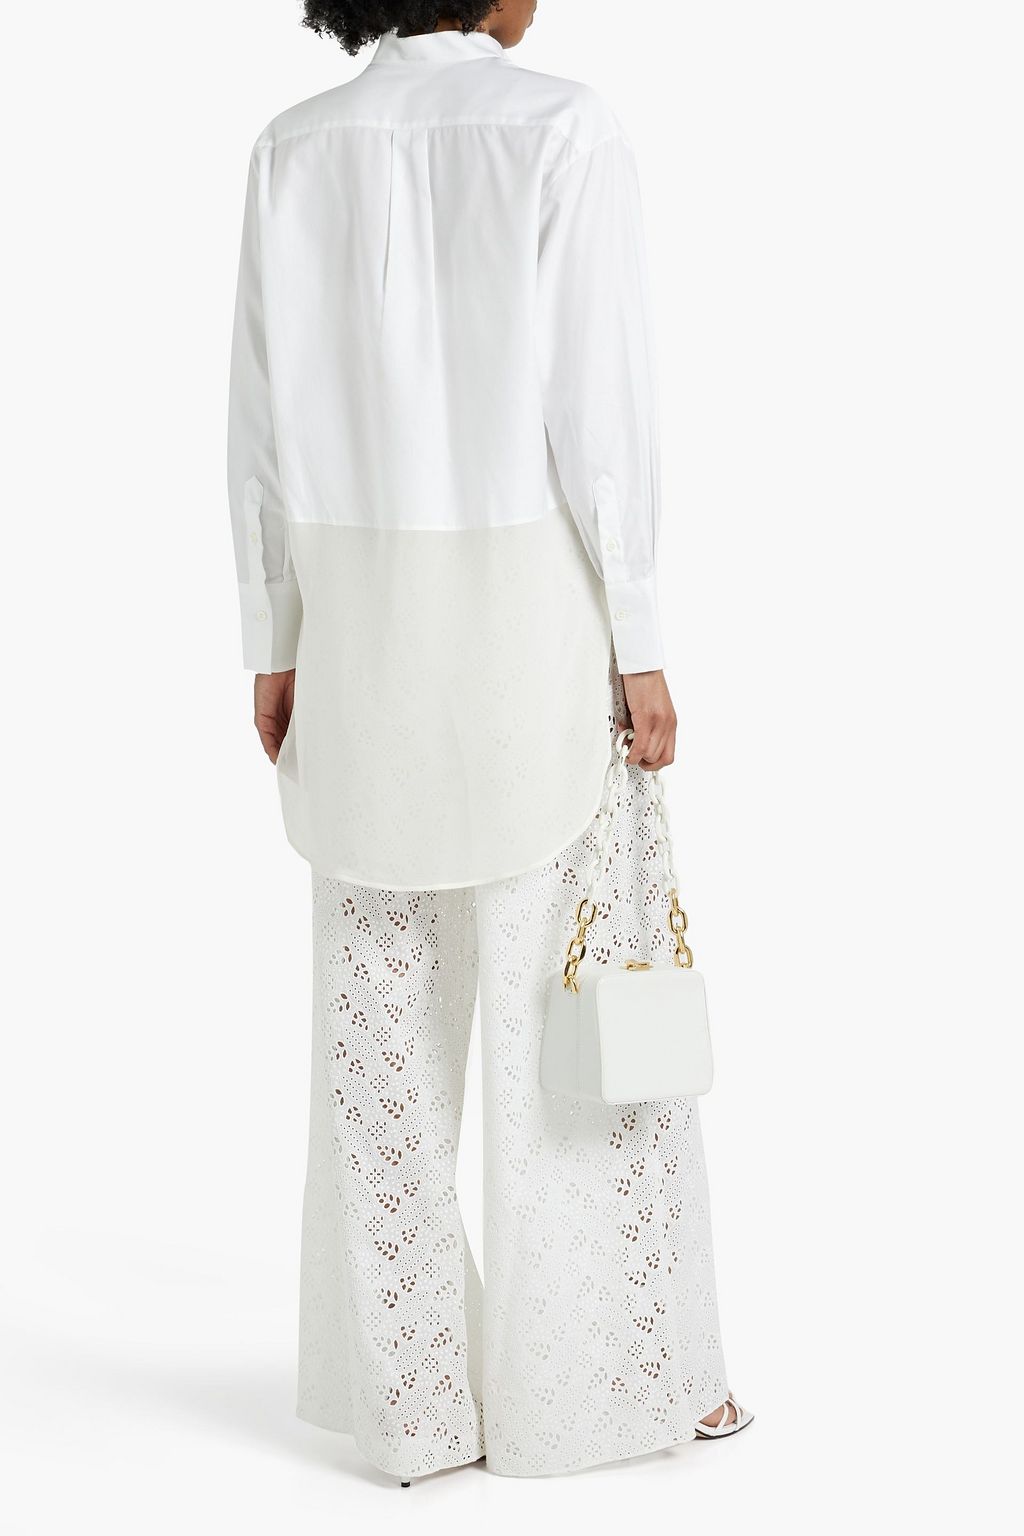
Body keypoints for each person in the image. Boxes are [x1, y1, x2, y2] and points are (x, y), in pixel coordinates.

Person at [226, 0, 752, 1484]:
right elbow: (602, 414)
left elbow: (257, 427)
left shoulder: (291, 150)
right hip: (533, 637)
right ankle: (607, 1391)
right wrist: (639, 638)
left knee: (378, 1039)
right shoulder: (562, 130)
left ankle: (413, 1409)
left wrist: (274, 636)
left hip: (360, 639)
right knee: (570, 1024)